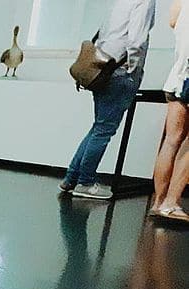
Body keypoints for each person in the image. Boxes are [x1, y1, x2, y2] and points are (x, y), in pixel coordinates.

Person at [61, 0, 156, 200]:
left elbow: (103, 34)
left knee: (98, 127)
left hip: (102, 69)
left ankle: (71, 178)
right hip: (120, 72)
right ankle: (85, 182)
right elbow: (136, 41)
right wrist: (133, 70)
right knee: (104, 130)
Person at [151, 0, 189, 219]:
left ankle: (158, 203)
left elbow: (172, 22)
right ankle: (171, 203)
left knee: (171, 140)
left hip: (176, 77)